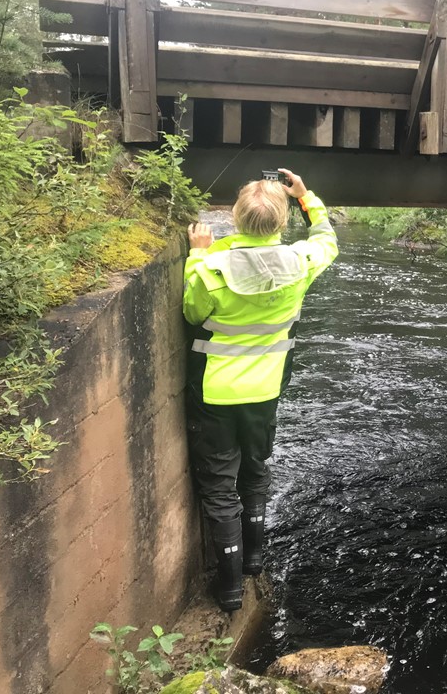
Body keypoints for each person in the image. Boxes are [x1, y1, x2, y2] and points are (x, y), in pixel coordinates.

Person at [183, 168, 338, 611]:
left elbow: (194, 314)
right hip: (267, 389)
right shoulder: (302, 262)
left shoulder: (211, 269)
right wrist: (307, 197)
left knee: (217, 484)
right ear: (283, 222)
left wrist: (197, 255)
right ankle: (254, 559)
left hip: (215, 394)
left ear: (234, 219)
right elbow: (327, 238)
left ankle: (230, 588)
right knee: (255, 468)